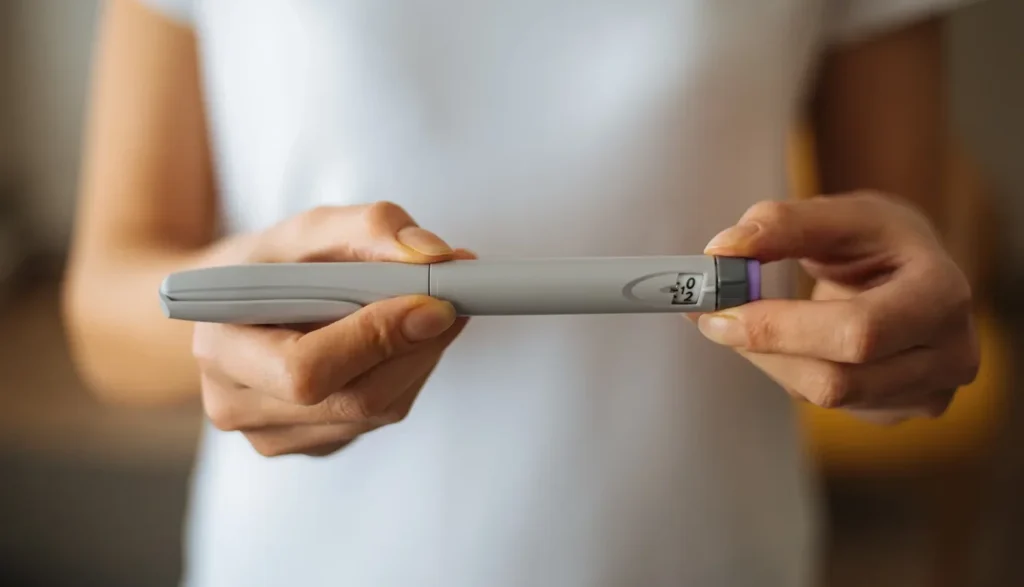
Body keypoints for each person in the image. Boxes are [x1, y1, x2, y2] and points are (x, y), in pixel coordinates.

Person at [63, 0, 982, 585]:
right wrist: (236, 331)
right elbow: (104, 312)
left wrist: (892, 347)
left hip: (699, 551)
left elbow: (889, 284)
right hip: (308, 559)